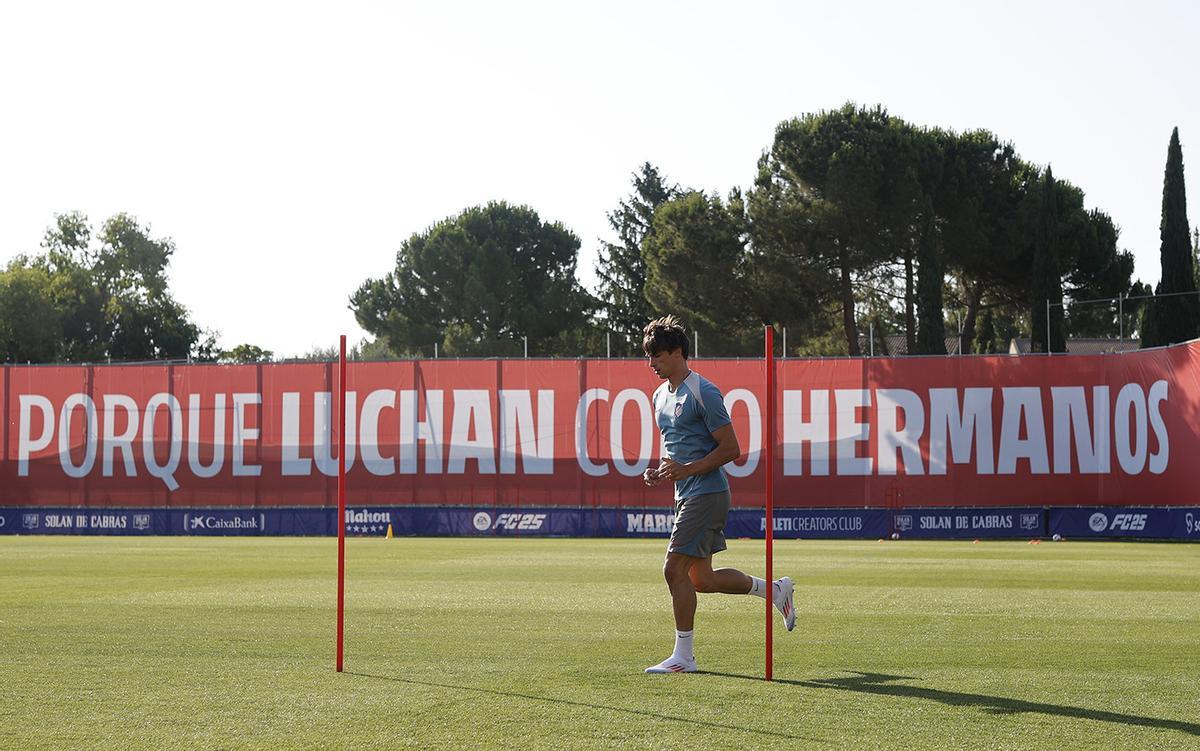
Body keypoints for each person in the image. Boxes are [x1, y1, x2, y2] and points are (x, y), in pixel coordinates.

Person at [640, 315, 795, 674]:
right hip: (685, 493)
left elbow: (731, 449)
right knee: (701, 580)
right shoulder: (659, 395)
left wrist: (687, 469)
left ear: (678, 352)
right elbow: (677, 449)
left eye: (658, 357)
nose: (652, 364)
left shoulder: (703, 391)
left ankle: (684, 657)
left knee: (672, 569)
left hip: (707, 493)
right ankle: (774, 591)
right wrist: (661, 472)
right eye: (649, 357)